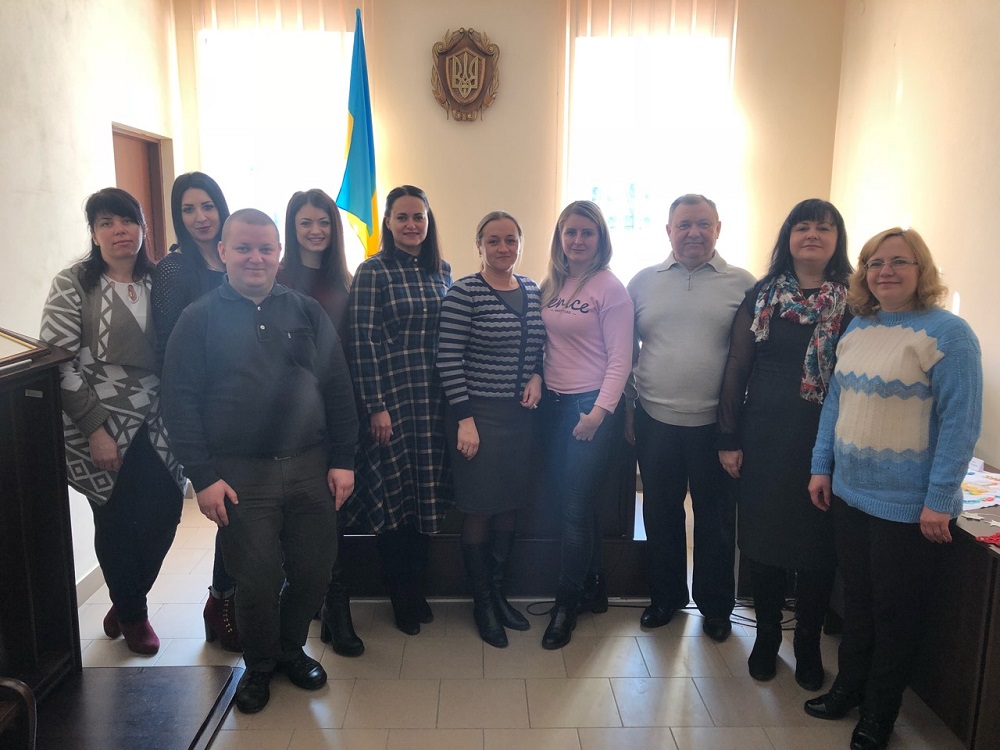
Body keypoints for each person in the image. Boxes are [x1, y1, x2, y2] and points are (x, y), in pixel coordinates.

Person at [160, 209, 359, 714]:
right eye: (244, 248)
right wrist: (203, 477)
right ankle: (260, 664)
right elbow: (179, 402)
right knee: (257, 580)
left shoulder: (307, 311)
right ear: (223, 251)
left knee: (315, 572)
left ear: (278, 254)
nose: (256, 258)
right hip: (241, 474)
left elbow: (338, 387)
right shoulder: (198, 318)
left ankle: (291, 650)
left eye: (266, 248)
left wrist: (344, 459)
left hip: (311, 466)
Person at [805, 227, 982, 750]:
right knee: (857, 605)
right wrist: (821, 466)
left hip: (906, 508)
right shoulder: (860, 326)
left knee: (895, 616)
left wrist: (939, 499)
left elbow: (960, 424)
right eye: (875, 263)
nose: (885, 271)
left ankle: (879, 715)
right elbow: (835, 404)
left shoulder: (948, 334)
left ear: (921, 270)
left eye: (899, 262)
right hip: (850, 495)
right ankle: (848, 690)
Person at [40, 187, 186, 655]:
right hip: (101, 426)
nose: (119, 231)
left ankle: (126, 598)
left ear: (143, 228)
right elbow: (59, 362)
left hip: (160, 423)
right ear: (94, 233)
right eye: (106, 223)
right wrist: (94, 429)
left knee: (166, 514)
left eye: (127, 221)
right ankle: (134, 615)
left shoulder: (161, 281)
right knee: (116, 521)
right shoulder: (73, 284)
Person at [717, 199, 853, 687]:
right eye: (802, 226)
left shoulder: (856, 301)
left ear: (837, 240)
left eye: (824, 227)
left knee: (818, 546)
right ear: (788, 237)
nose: (812, 234)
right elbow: (738, 365)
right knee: (764, 539)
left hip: (828, 437)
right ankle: (767, 636)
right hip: (765, 434)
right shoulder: (762, 295)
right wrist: (728, 437)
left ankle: (808, 643)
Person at [625, 194, 754, 642]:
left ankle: (716, 608)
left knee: (716, 521)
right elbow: (624, 351)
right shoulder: (642, 282)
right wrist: (628, 408)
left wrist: (737, 428)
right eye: (683, 225)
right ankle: (665, 598)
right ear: (668, 231)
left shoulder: (743, 284)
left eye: (703, 224)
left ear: (718, 228)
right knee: (660, 514)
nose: (693, 232)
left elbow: (750, 356)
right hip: (654, 419)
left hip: (716, 427)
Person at [344, 185, 453, 635]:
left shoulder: (441, 270)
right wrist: (376, 406)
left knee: (425, 499)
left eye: (419, 217)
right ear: (387, 223)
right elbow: (362, 341)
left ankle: (418, 589)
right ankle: (400, 596)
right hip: (391, 401)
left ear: (429, 222)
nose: (411, 225)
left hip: (433, 401)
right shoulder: (373, 271)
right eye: (402, 217)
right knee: (394, 503)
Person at [436, 211, 545, 648]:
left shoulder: (533, 290)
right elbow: (448, 358)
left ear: (520, 244)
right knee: (480, 508)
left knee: (509, 505)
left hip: (520, 419)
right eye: (494, 240)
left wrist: (537, 376)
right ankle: (482, 603)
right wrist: (465, 420)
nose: (503, 248)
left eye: (511, 240)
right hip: (476, 418)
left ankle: (499, 594)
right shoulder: (464, 292)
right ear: (479, 246)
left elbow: (539, 346)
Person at [151, 171, 241, 652]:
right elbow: (169, 348)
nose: (201, 217)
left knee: (246, 506)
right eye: (188, 209)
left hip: (246, 398)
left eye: (207, 206)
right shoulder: (174, 268)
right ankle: (221, 602)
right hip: (207, 407)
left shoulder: (234, 254)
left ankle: (236, 597)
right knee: (230, 510)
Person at [538, 200, 633, 650]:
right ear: (560, 238)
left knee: (575, 508)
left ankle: (565, 605)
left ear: (600, 239)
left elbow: (620, 360)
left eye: (586, 232)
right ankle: (594, 587)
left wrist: (598, 413)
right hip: (553, 406)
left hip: (588, 408)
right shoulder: (553, 283)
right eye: (570, 232)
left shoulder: (610, 288)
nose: (577, 240)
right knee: (576, 504)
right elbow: (543, 344)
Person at [277, 188, 362, 657]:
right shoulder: (277, 278)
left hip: (340, 413)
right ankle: (313, 603)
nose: (315, 231)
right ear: (292, 228)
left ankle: (336, 606)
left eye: (324, 222)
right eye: (306, 222)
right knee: (302, 519)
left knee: (337, 512)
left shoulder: (345, 281)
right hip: (290, 422)